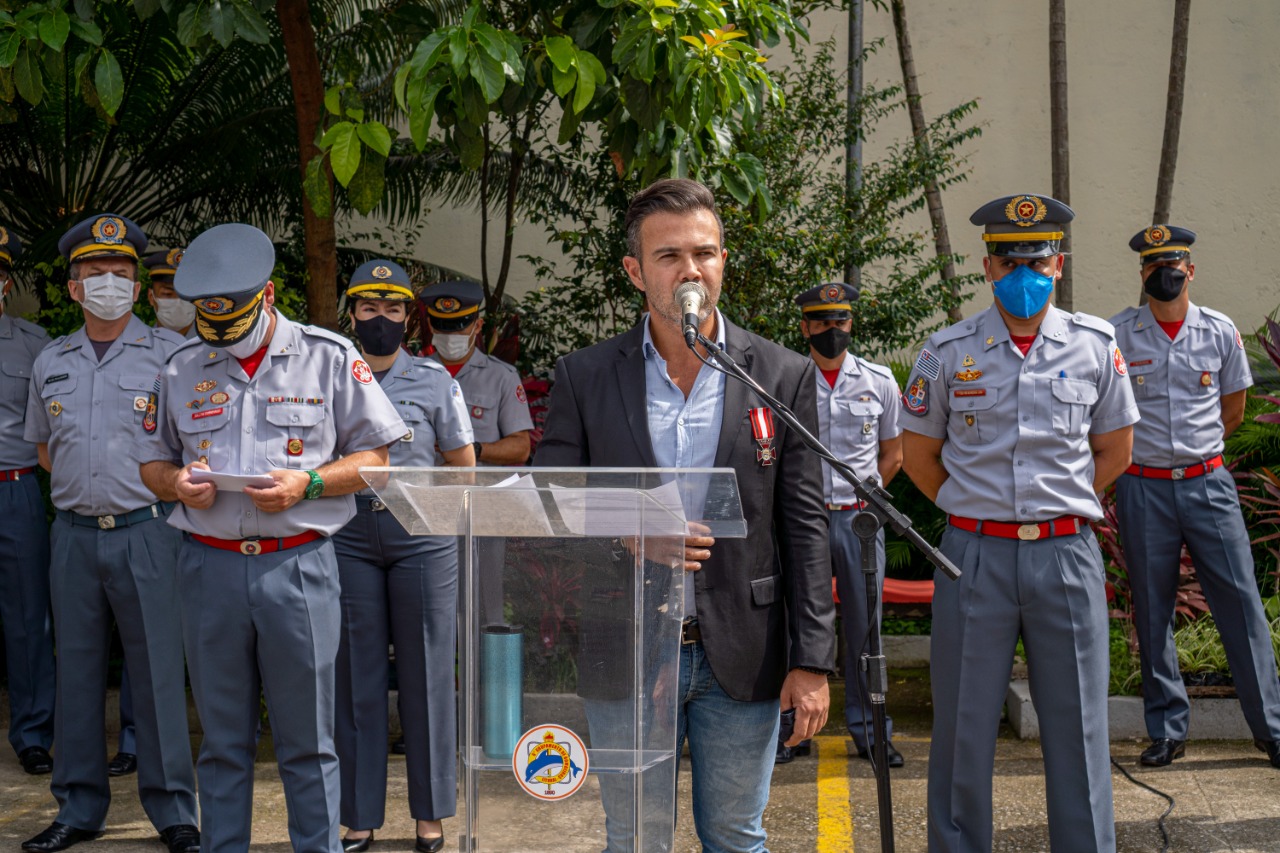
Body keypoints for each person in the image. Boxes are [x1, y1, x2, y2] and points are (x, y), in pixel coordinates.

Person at [534, 178, 834, 852]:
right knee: (636, 837)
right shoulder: (586, 376)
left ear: (724, 261)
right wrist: (632, 529)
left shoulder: (778, 376)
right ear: (636, 272)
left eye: (704, 253)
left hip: (743, 653)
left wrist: (813, 658)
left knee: (735, 834)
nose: (690, 269)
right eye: (669, 256)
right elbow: (552, 496)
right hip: (626, 647)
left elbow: (805, 527)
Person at [138, 223, 407, 853]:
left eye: (232, 320)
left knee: (308, 741)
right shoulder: (181, 366)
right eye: (211, 322)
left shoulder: (330, 355)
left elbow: (377, 461)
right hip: (209, 570)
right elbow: (151, 464)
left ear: (266, 295)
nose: (222, 337)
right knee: (224, 740)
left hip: (299, 568)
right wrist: (177, 483)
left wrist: (308, 484)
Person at [900, 194, 1138, 853]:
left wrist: (1060, 501)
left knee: (1080, 725)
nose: (1023, 274)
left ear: (1057, 265)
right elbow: (919, 457)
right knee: (962, 725)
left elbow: (1116, 448)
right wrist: (977, 508)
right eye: (1009, 261)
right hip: (974, 556)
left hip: (1065, 553)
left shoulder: (1095, 346)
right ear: (987, 267)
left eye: (1036, 260)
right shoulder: (948, 352)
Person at [22, 214, 199, 853]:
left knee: (156, 674)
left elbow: (188, 446)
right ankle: (78, 809)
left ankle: (174, 810)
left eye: (121, 275)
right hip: (72, 537)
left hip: (148, 534)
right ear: (73, 289)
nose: (108, 285)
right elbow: (44, 448)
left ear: (138, 286)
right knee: (77, 676)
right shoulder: (51, 360)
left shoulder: (173, 358)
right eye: (95, 275)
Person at [1110, 225, 1280, 769]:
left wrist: (1198, 459)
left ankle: (1271, 730)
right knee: (1153, 608)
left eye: (1174, 264)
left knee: (1241, 604)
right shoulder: (1118, 335)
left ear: (1190, 269)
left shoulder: (1219, 331)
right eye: (1153, 265)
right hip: (1143, 487)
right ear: (1141, 274)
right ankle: (1167, 731)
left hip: (1208, 483)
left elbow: (1233, 410)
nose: (1165, 273)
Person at [332, 261, 475, 853]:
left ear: (408, 316)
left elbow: (463, 467)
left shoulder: (437, 381)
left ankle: (432, 814)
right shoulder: (331, 375)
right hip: (347, 533)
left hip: (422, 534)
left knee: (427, 675)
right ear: (352, 314)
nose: (381, 320)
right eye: (369, 308)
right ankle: (360, 816)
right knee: (354, 676)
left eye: (393, 310)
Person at [779, 282, 904, 768]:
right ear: (806, 326)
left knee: (866, 629)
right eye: (823, 322)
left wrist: (866, 492)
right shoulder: (787, 380)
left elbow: (893, 453)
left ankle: (872, 734)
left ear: (852, 323)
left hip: (858, 521)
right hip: (803, 519)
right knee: (797, 626)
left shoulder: (878, 381)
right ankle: (794, 732)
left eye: (842, 321)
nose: (834, 331)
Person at [108, 250, 190, 781]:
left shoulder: (194, 353)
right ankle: (129, 742)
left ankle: (178, 789)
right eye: (164, 289)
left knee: (177, 644)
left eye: (183, 291)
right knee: (130, 643)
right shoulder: (60, 358)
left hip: (182, 517)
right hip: (122, 517)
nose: (174, 300)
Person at [0, 226, 57, 778]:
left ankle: (33, 731)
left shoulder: (35, 344)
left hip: (13, 488)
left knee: (26, 616)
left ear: (5, 281)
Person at [144, 248, 194, 336]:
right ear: (151, 297)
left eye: (185, 295)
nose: (178, 301)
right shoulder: (137, 347)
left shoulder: (217, 346)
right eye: (167, 294)